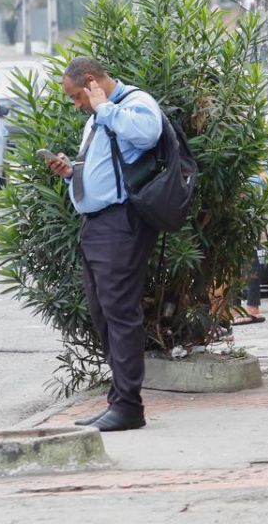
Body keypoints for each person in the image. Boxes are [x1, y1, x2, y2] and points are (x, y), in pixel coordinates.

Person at [46, 56, 163, 433]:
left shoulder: (132, 104)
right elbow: (105, 169)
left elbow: (148, 134)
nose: (76, 104)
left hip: (121, 223)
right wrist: (71, 172)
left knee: (120, 314)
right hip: (97, 225)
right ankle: (119, 399)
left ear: (92, 81)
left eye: (76, 95)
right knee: (102, 313)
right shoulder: (101, 113)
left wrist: (104, 108)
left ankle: (129, 405)